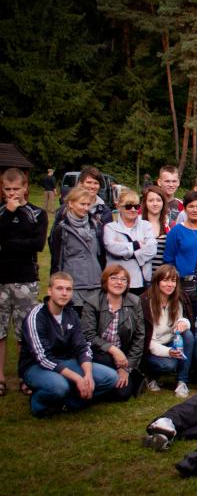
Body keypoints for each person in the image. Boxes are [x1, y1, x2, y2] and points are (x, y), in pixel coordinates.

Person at [19, 273, 118, 416]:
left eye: (68, 289)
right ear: (49, 291)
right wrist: (78, 378)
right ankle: (38, 404)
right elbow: (43, 357)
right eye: (59, 288)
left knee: (110, 377)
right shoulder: (36, 317)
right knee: (59, 386)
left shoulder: (71, 314)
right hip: (35, 366)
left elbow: (82, 346)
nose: (64, 293)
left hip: (65, 361)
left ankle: (69, 403)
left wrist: (88, 375)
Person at [0, 167, 48, 396]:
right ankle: (0, 378)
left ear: (25, 187)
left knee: (24, 331)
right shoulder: (1, 212)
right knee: (0, 332)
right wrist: (8, 214)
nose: (12, 193)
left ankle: (24, 376)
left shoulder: (37, 213)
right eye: (7, 189)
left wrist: (8, 244)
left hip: (26, 278)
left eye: (16, 189)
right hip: (1, 278)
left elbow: (37, 243)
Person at [80, 265, 145, 401]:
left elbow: (139, 337)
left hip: (123, 357)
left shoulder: (135, 302)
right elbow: (88, 335)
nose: (119, 282)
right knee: (107, 360)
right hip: (97, 353)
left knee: (123, 394)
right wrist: (113, 350)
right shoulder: (92, 302)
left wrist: (126, 368)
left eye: (123, 279)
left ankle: (120, 377)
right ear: (105, 281)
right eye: (114, 278)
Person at [49, 186, 105, 316]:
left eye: (88, 204)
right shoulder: (61, 230)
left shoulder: (96, 226)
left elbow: (101, 256)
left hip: (95, 284)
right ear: (71, 203)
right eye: (82, 204)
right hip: (73, 286)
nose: (85, 208)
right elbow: (56, 261)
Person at [141, 264, 195, 398]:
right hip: (151, 348)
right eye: (165, 280)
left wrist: (183, 322)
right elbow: (146, 340)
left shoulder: (179, 298)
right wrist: (168, 352)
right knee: (169, 365)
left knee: (188, 335)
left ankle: (182, 381)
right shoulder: (145, 302)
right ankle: (149, 375)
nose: (170, 285)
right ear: (157, 282)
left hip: (172, 341)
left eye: (173, 281)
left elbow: (184, 320)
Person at [104, 188, 156, 294]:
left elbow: (152, 249)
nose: (133, 210)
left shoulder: (146, 226)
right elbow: (112, 247)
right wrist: (136, 245)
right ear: (119, 207)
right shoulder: (110, 227)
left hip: (140, 280)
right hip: (116, 281)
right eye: (128, 206)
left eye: (136, 206)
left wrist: (125, 252)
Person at [141, 185, 170, 273]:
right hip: (141, 276)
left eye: (158, 200)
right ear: (145, 203)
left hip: (162, 276)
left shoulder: (169, 226)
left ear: (163, 203)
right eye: (151, 200)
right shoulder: (138, 224)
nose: (155, 204)